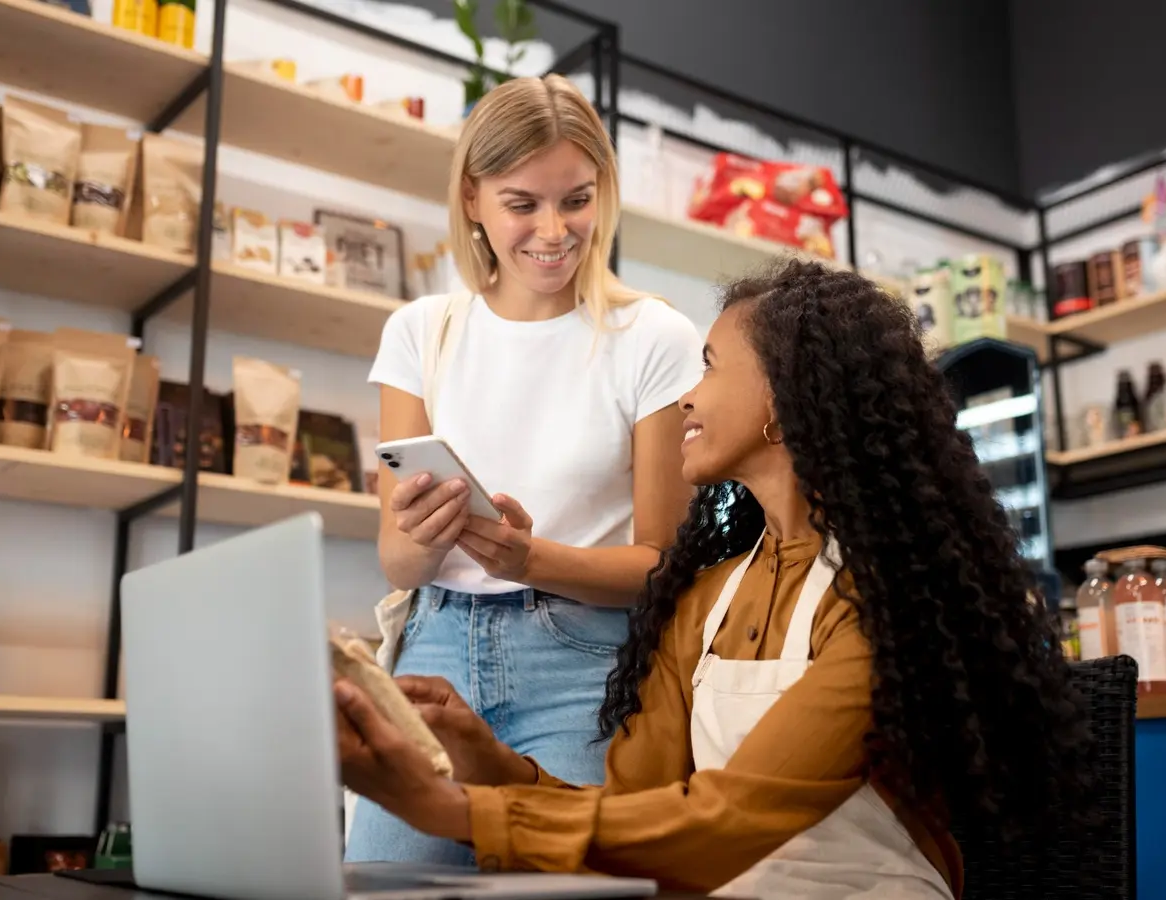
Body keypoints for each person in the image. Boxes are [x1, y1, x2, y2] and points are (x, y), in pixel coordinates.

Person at [335, 258, 1095, 898]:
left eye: (708, 365)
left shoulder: (880, 601)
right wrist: (481, 758)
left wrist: (448, 810)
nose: (686, 396)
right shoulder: (706, 596)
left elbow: (730, 818)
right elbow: (637, 814)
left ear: (783, 399)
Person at [349, 73, 703, 865]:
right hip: (434, 649)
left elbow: (663, 566)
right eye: (523, 204)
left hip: (584, 663)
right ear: (473, 198)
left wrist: (530, 559)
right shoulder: (421, 333)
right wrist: (426, 538)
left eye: (576, 199)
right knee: (383, 886)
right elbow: (396, 560)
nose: (554, 230)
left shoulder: (654, 338)